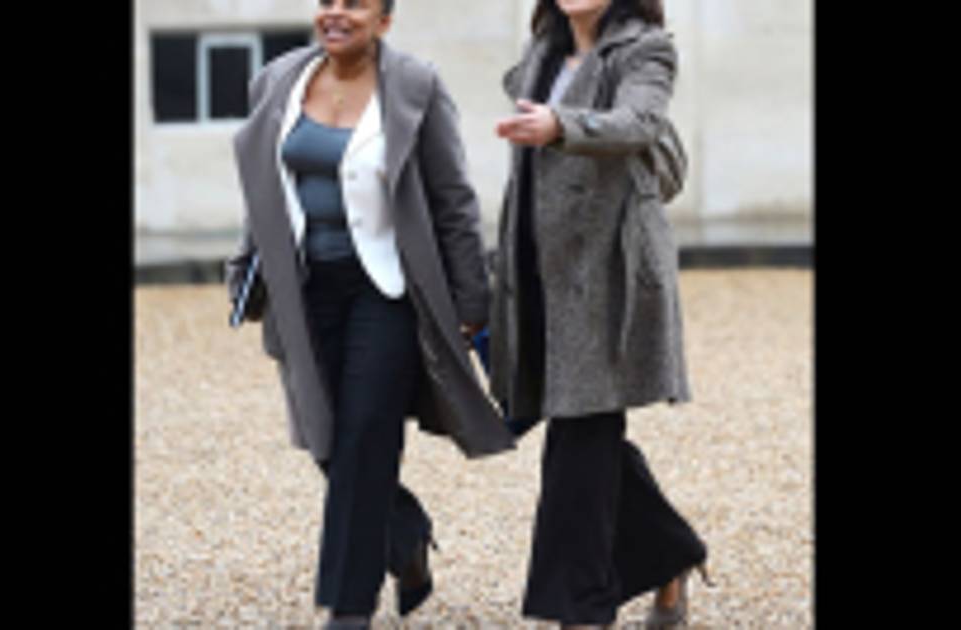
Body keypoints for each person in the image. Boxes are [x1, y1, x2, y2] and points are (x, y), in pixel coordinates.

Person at [226, 0, 516, 626]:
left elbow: (453, 198)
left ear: (384, 20)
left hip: (386, 289)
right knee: (326, 433)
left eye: (355, 4)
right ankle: (404, 532)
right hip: (304, 287)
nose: (336, 14)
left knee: (366, 433)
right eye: (328, 2)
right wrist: (245, 265)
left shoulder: (415, 85)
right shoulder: (278, 79)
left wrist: (471, 299)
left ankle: (348, 607)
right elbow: (264, 187)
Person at [490, 0, 712, 627]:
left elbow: (639, 122)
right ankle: (670, 555)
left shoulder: (645, 48)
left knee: (581, 432)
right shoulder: (542, 52)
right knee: (585, 427)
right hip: (539, 265)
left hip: (606, 264)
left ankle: (580, 607)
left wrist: (561, 124)